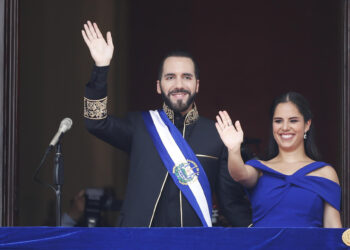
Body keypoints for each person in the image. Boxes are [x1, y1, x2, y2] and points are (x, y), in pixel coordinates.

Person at [81, 21, 251, 227]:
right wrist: (101, 68)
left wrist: (262, 236)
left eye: (186, 77)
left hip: (194, 243)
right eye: (170, 77)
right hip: (139, 241)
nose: (179, 85)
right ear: (159, 86)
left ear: (197, 85)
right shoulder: (140, 126)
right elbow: (95, 123)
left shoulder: (217, 134)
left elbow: (230, 204)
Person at [215, 92, 342, 227]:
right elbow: (238, 174)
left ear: (307, 125)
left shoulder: (325, 173)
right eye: (278, 121)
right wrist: (234, 150)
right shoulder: (260, 169)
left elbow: (333, 230)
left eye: (293, 120)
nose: (285, 127)